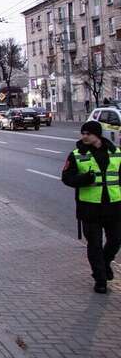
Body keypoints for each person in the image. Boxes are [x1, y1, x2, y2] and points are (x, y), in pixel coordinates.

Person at [61, 121, 121, 294]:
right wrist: (83, 179)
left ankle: (105, 262)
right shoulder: (76, 154)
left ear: (97, 135)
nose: (84, 136)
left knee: (116, 240)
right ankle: (100, 279)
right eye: (83, 133)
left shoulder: (116, 153)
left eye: (88, 133)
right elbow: (66, 178)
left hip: (114, 206)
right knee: (94, 245)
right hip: (89, 208)